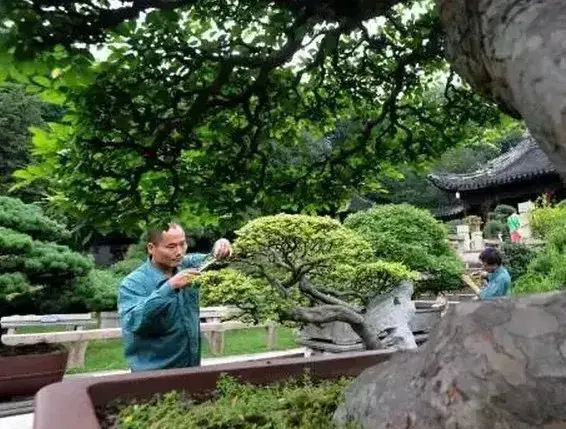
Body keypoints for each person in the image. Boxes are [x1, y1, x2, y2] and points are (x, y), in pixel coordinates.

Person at [118, 223, 232, 372]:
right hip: (151, 376)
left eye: (182, 244)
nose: (179, 252)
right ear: (151, 248)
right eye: (171, 247)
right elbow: (135, 322)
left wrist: (222, 246)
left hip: (191, 370)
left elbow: (217, 259)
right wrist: (169, 288)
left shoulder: (188, 265)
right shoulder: (133, 283)